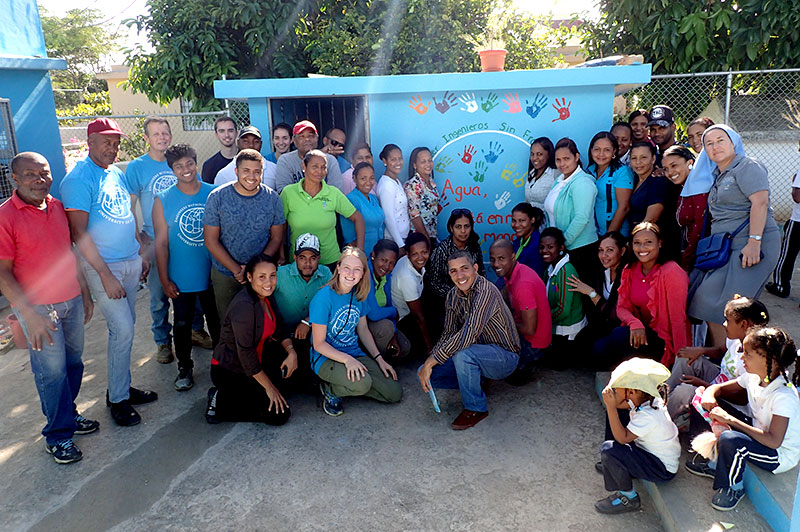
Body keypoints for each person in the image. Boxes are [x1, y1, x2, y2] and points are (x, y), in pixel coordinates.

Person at [60, 117, 158, 427]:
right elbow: (79, 233)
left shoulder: (115, 172)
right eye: (106, 142)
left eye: (116, 144)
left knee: (125, 330)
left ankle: (121, 387)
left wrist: (138, 252)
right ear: (89, 142)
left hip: (128, 260)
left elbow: (124, 214)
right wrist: (105, 275)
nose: (112, 149)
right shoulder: (78, 179)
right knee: (123, 330)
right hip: (104, 267)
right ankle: (118, 400)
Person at [0, 152, 97, 464]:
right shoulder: (5, 216)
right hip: (39, 310)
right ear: (15, 178)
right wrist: (29, 314)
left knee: (74, 364)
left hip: (71, 302)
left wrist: (85, 292)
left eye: (44, 173)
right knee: (51, 373)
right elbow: (2, 272)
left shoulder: (56, 207)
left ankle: (69, 414)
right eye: (30, 174)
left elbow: (68, 253)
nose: (39, 180)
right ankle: (58, 436)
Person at [686, 327, 800, 511]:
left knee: (731, 440)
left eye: (748, 354)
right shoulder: (754, 377)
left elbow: (773, 441)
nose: (742, 358)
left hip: (778, 455)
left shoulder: (784, 396)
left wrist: (730, 420)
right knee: (701, 398)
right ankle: (713, 455)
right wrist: (710, 394)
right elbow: (719, 389)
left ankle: (732, 487)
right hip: (758, 432)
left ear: (769, 360)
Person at [126, 117, 211, 363]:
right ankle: (163, 341)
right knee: (159, 294)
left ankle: (196, 330)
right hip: (154, 239)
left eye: (165, 133)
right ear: (146, 138)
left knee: (192, 290)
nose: (161, 137)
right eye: (155, 134)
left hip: (186, 237)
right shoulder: (137, 167)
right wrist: (138, 239)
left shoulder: (179, 160)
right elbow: (130, 206)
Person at [688, 124, 780, 347]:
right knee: (705, 302)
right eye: (708, 143)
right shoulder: (718, 175)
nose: (715, 146)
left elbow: (760, 202)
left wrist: (754, 242)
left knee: (737, 310)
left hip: (752, 243)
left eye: (720, 140)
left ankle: (746, 361)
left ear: (733, 143)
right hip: (727, 247)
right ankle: (724, 360)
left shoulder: (747, 166)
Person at [418, 250, 521, 430]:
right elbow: (449, 332)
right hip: (478, 351)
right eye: (453, 271)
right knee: (426, 373)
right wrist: (430, 361)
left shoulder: (486, 291)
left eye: (464, 268)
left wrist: (431, 361)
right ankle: (476, 381)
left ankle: (476, 408)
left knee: (463, 355)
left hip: (505, 357)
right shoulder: (452, 295)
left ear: (475, 268)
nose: (460, 275)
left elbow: (469, 333)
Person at [152, 144, 220, 391]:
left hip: (212, 273)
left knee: (216, 322)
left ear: (195, 162)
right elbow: (160, 244)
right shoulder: (164, 200)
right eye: (179, 166)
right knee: (181, 324)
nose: (186, 170)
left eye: (189, 163)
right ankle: (184, 368)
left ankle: (220, 367)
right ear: (172, 169)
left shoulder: (213, 193)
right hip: (182, 275)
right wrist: (164, 278)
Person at [205, 254, 298, 425]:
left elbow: (281, 327)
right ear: (249, 277)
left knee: (289, 386)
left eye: (272, 275)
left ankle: (251, 394)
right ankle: (220, 402)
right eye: (261, 277)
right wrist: (269, 387)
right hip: (232, 370)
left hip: (259, 358)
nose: (268, 282)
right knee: (279, 415)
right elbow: (245, 354)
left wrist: (291, 352)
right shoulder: (244, 307)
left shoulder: (266, 296)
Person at [310, 246, 402, 417]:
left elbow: (363, 329)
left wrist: (379, 359)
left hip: (353, 353)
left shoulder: (359, 294)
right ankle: (330, 389)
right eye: (347, 267)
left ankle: (354, 384)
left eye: (357, 269)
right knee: (362, 383)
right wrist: (347, 360)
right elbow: (318, 344)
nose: (351, 273)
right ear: (338, 268)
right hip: (326, 357)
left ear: (362, 274)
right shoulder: (324, 298)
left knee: (393, 393)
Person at [593, 223, 690, 369]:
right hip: (639, 332)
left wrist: (681, 361)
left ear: (660, 243)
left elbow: (678, 320)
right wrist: (634, 323)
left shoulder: (671, 271)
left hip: (663, 339)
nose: (642, 248)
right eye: (637, 243)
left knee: (619, 336)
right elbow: (622, 307)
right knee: (599, 349)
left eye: (648, 242)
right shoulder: (630, 269)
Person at [204, 148, 285, 318]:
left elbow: (276, 237)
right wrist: (236, 269)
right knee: (228, 322)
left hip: (261, 276)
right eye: (246, 171)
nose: (252, 176)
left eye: (257, 171)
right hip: (225, 273)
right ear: (236, 171)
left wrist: (254, 269)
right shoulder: (217, 197)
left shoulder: (273, 199)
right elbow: (211, 241)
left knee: (261, 322)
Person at [596, 358, 680, 514]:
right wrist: (612, 404)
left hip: (660, 468)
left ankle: (628, 498)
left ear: (632, 391)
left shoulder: (649, 415)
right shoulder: (646, 398)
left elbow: (622, 439)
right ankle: (616, 464)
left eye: (618, 387)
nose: (615, 390)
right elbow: (620, 406)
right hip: (649, 453)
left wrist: (611, 407)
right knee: (615, 411)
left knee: (609, 449)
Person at [666, 295, 769, 421]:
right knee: (685, 359)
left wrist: (704, 385)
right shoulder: (736, 339)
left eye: (728, 320)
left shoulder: (754, 359)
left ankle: (661, 422)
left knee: (684, 391)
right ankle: (664, 399)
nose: (724, 324)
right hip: (717, 382)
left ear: (743, 324)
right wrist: (701, 350)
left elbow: (741, 399)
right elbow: (721, 350)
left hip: (730, 404)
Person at [281, 149, 365, 268]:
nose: (319, 171)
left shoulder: (333, 193)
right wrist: (281, 253)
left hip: (329, 262)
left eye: (323, 167)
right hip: (299, 263)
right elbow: (281, 225)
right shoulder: (288, 192)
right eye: (315, 166)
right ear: (304, 166)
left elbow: (358, 218)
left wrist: (359, 250)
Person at [489, 239, 551, 385]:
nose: (496, 264)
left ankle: (528, 365)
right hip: (530, 334)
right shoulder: (514, 271)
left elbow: (529, 329)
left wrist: (503, 325)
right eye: (492, 260)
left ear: (513, 257)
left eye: (501, 259)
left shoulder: (523, 284)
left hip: (534, 344)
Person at [273, 233, 332, 383]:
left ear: (319, 258)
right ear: (294, 257)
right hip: (282, 334)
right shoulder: (280, 274)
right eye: (302, 258)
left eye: (313, 258)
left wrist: (308, 321)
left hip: (312, 333)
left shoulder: (326, 274)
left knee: (311, 380)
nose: (308, 263)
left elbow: (333, 304)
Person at [566, 231, 628, 359]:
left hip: (621, 329)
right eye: (601, 250)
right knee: (576, 347)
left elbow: (614, 314)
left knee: (599, 351)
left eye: (610, 250)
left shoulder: (627, 275)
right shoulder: (601, 272)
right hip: (603, 325)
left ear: (622, 251)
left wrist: (591, 293)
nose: (604, 255)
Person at [543, 137, 598, 278]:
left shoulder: (582, 183)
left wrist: (563, 244)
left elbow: (581, 218)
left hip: (580, 250)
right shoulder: (560, 180)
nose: (562, 164)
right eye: (558, 160)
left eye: (566, 158)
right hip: (563, 250)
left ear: (577, 157)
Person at [424, 209, 485, 335]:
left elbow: (481, 272)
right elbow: (434, 283)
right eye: (458, 227)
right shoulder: (443, 250)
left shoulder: (474, 246)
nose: (463, 231)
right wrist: (458, 294)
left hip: (472, 298)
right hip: (447, 302)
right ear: (451, 228)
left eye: (466, 226)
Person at [539, 227, 586, 365]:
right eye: (542, 247)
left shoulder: (566, 271)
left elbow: (563, 310)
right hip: (555, 326)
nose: (545, 251)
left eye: (550, 247)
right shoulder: (549, 269)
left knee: (554, 364)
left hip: (567, 332)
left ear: (561, 248)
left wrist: (541, 320)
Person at [628, 141, 680, 259]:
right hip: (640, 241)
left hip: (652, 245)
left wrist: (635, 241)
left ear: (653, 159)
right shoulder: (635, 180)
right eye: (634, 158)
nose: (638, 162)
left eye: (643, 157)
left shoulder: (658, 182)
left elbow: (652, 218)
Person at [366, 239, 411, 361]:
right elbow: (373, 314)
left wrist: (394, 335)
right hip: (363, 325)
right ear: (373, 255)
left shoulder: (386, 277)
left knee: (404, 347)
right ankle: (375, 362)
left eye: (392, 263)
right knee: (386, 328)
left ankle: (384, 357)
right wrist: (393, 311)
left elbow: (388, 304)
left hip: (380, 320)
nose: (386, 267)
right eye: (384, 260)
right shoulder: (366, 274)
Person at [662, 145, 705, 270]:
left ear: (689, 163)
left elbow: (699, 226)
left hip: (698, 255)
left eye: (674, 166)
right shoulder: (684, 187)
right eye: (665, 169)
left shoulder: (699, 188)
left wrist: (687, 260)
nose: (670, 172)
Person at [766, 141, 800, 298]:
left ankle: (780, 286)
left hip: (798, 221)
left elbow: (797, 197)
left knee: (787, 254)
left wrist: (794, 184)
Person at [391, 232, 434, 355]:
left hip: (407, 310)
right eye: (415, 254)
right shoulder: (407, 278)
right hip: (403, 319)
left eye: (424, 252)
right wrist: (430, 347)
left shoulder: (409, 262)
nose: (420, 258)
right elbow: (418, 317)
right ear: (408, 254)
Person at [587, 131, 634, 236]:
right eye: (597, 149)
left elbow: (624, 207)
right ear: (591, 151)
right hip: (593, 235)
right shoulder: (589, 171)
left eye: (607, 150)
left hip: (616, 236)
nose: (601, 154)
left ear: (614, 151)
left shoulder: (622, 172)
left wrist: (609, 237)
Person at [275, 120, 343, 193]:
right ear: (294, 141)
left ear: (317, 138)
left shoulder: (330, 160)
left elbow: (336, 192)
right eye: (301, 136)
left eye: (311, 136)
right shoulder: (286, 160)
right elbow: (283, 192)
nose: (307, 139)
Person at [213, 126, 277, 190]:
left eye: (256, 141)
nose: (251, 145)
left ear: (261, 144)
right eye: (246, 141)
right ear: (238, 142)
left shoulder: (274, 169)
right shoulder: (224, 174)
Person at [341, 162, 384, 255]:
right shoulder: (350, 200)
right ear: (354, 178)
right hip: (361, 253)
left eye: (371, 178)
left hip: (377, 253)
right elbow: (349, 238)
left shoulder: (373, 198)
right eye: (363, 178)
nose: (368, 182)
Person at [376, 143, 411, 247]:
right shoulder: (387, 185)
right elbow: (388, 217)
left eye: (400, 158)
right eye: (393, 159)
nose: (398, 162)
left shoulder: (395, 181)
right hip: (393, 240)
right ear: (384, 161)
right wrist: (400, 244)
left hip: (403, 237)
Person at [405, 146, 439, 244]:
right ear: (415, 165)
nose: (428, 164)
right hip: (419, 239)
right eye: (423, 161)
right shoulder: (413, 185)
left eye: (429, 160)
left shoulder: (431, 183)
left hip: (431, 234)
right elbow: (415, 216)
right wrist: (426, 240)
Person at [525, 137, 558, 217]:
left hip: (549, 224)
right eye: (532, 154)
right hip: (532, 226)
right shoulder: (531, 174)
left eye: (539, 154)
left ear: (549, 154)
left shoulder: (556, 174)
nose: (535, 158)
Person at [510, 202, 545, 276]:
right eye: (514, 221)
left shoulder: (537, 246)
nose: (516, 225)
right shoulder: (518, 242)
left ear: (532, 220)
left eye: (522, 220)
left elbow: (533, 276)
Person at [201, 116, 237, 183]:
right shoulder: (209, 166)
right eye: (222, 131)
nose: (226, 135)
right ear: (216, 134)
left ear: (236, 133)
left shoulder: (247, 158)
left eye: (230, 130)